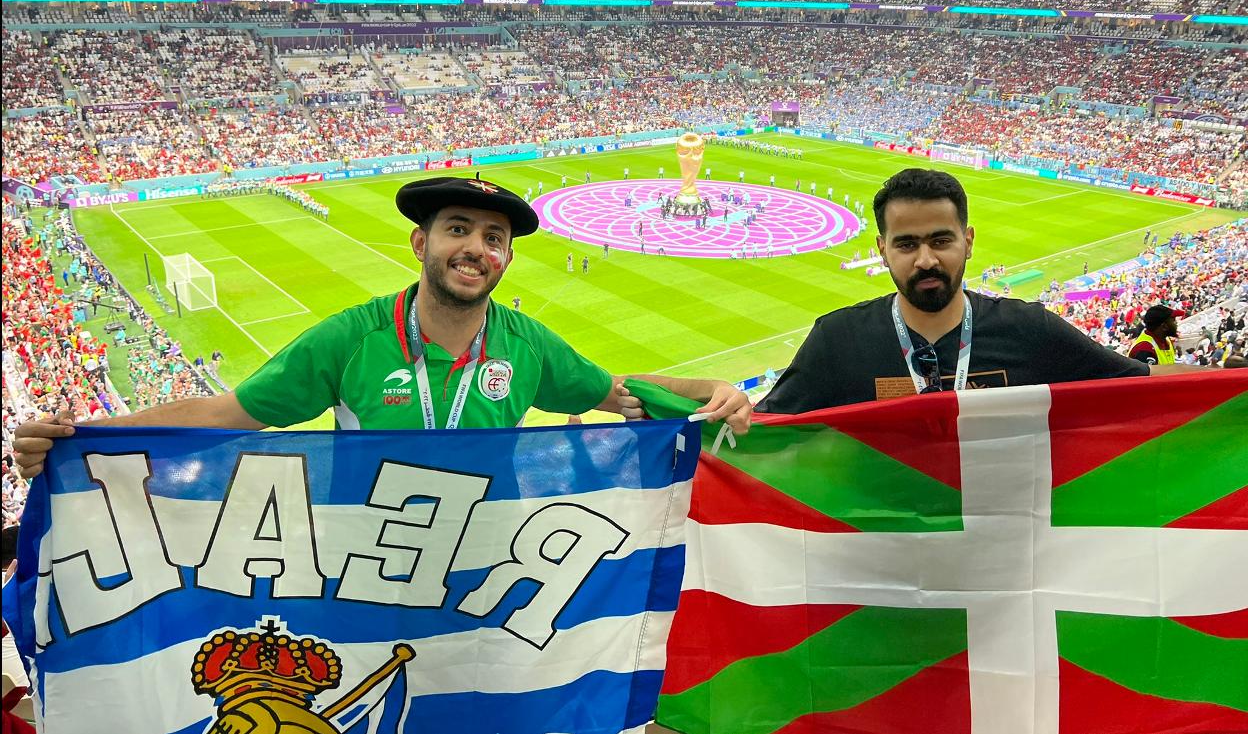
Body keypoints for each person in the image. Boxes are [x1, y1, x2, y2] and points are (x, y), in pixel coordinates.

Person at [14, 177, 751, 479]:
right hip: (369, 566)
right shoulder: (351, 338)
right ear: (419, 243)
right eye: (457, 229)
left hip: (488, 565)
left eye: (494, 238)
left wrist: (711, 389)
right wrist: (86, 438)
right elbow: (226, 412)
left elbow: (622, 393)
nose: (476, 248)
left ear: (507, 258)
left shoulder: (529, 347)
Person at [757, 169, 1205, 414]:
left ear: (968, 241)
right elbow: (755, 433)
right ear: (882, 250)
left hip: (1000, 567)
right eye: (907, 244)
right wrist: (691, 392)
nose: (926, 259)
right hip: (881, 564)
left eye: (941, 240)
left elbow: (1141, 384)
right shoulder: (838, 340)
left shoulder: (1030, 330)